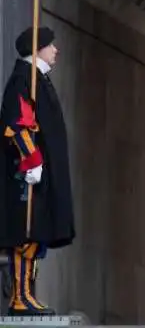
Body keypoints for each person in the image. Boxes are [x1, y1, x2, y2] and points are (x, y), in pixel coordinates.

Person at [0, 26, 75, 316]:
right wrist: (32, 161)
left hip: (41, 174)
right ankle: (19, 297)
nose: (55, 50)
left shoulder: (38, 79)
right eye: (50, 45)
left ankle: (28, 294)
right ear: (38, 48)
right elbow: (17, 125)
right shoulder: (24, 80)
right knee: (25, 235)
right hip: (27, 174)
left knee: (36, 236)